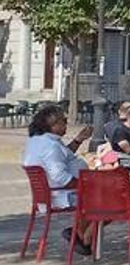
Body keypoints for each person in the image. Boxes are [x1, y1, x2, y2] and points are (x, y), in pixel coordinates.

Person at [22, 105, 96, 255]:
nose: (66, 124)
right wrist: (87, 185)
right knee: (109, 200)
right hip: (62, 195)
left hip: (51, 194)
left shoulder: (39, 141)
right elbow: (60, 177)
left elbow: (64, 156)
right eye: (64, 121)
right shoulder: (50, 146)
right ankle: (83, 236)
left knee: (101, 195)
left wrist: (78, 140)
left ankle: (80, 234)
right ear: (53, 125)